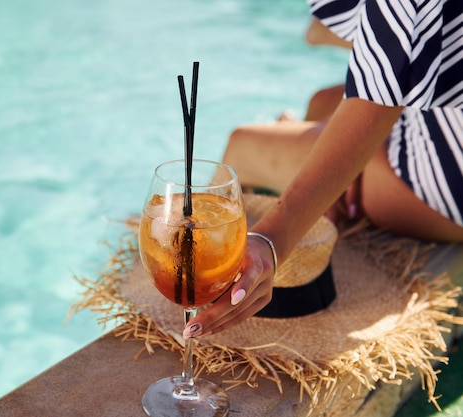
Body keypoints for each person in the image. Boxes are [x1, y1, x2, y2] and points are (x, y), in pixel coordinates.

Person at [183, 0, 463, 339]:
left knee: (242, 144)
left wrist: (271, 240)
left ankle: (190, 257)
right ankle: (318, 168)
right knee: (322, 102)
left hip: (447, 182)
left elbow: (371, 98)